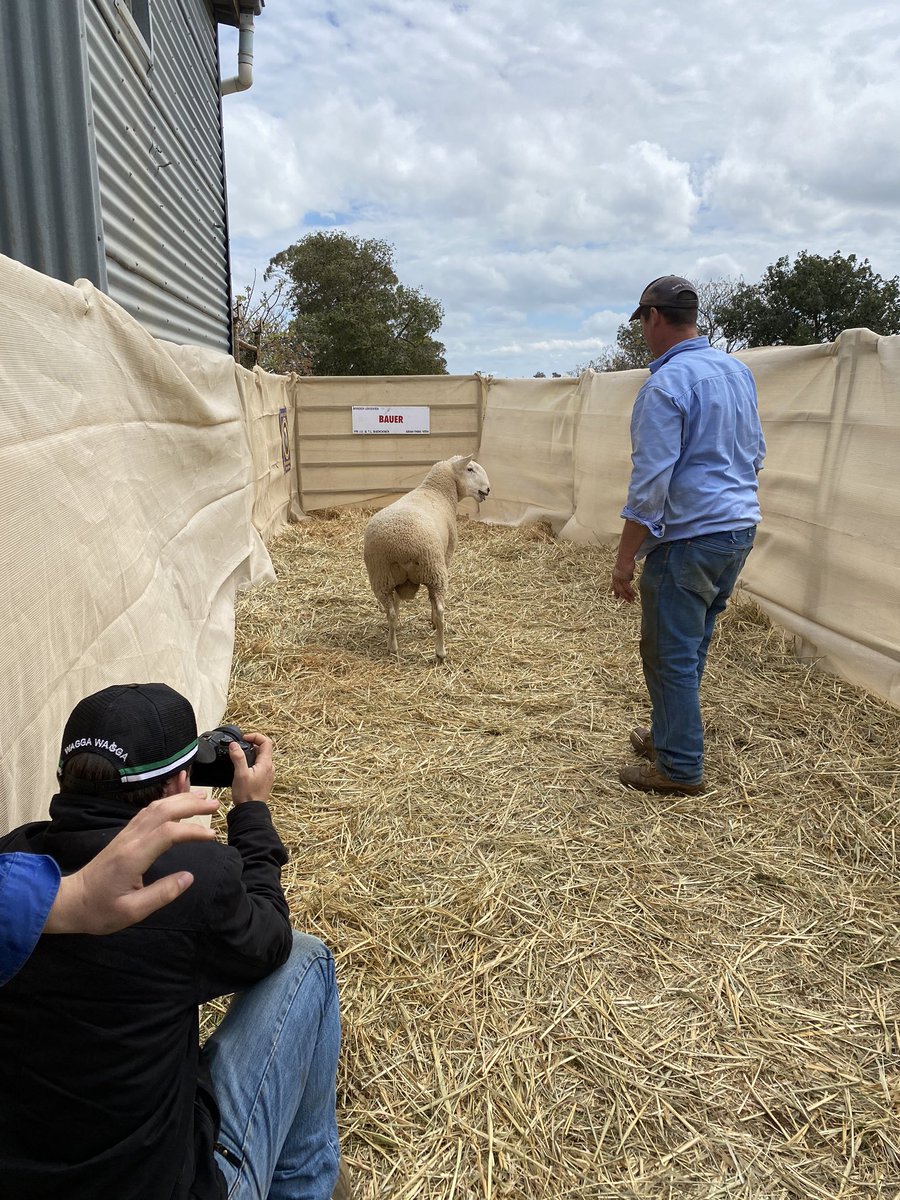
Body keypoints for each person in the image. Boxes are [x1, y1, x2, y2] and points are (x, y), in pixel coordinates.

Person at [0, 683, 348, 1200]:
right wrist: (251, 813)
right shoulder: (188, 880)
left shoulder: (16, 865)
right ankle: (304, 1183)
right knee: (306, 957)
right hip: (169, 1186)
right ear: (179, 784)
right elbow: (269, 940)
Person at [612, 276, 766, 795]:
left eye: (643, 324)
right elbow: (756, 452)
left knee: (668, 652)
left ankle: (678, 766)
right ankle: (668, 734)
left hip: (690, 538)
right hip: (737, 530)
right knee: (691, 643)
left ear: (653, 317)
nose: (643, 334)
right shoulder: (736, 372)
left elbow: (651, 481)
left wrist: (624, 557)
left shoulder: (665, 386)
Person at [0, 789, 220, 986]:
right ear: (178, 784)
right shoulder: (212, 870)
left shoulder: (18, 841)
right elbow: (253, 951)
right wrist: (251, 813)